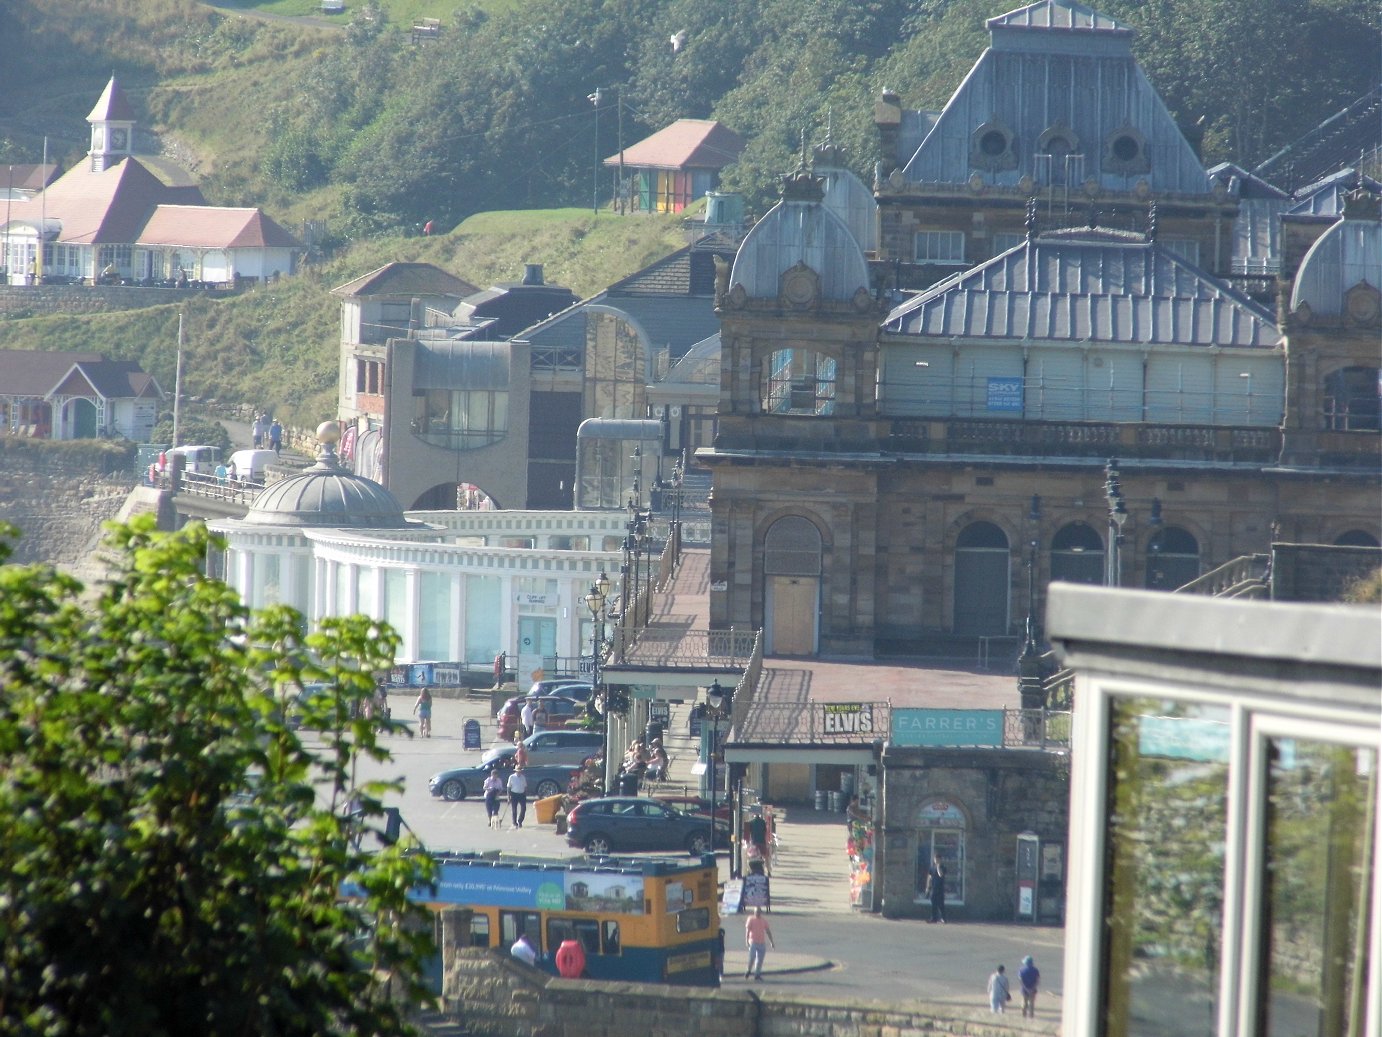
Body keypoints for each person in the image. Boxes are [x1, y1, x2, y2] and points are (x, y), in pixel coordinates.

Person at [744, 906, 774, 980]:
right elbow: (747, 930)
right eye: (756, 912)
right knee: (752, 957)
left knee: (760, 960)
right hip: (753, 941)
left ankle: (757, 974)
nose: (757, 913)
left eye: (759, 912)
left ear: (761, 912)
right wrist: (746, 940)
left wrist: (771, 942)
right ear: (754, 912)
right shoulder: (750, 919)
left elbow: (768, 931)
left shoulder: (763, 921)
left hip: (761, 942)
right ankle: (749, 970)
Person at [925, 854, 947, 923]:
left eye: (937, 859)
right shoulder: (932, 868)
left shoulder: (943, 867)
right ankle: (934, 918)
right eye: (935, 859)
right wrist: (928, 887)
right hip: (933, 888)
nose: (936, 860)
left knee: (941, 904)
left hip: (940, 888)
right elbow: (929, 878)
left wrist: (938, 867)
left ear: (940, 860)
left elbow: (941, 875)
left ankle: (943, 918)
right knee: (933, 903)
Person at [507, 764, 528, 829]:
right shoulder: (511, 777)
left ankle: (520, 821)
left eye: (520, 771)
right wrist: (508, 796)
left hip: (522, 794)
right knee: (514, 809)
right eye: (518, 771)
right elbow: (508, 787)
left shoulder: (523, 777)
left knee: (523, 808)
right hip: (514, 794)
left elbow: (525, 786)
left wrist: (525, 794)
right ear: (515, 771)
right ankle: (514, 822)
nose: (519, 772)